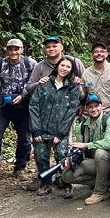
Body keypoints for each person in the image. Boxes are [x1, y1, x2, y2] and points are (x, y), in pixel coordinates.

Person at [28, 57, 82, 195]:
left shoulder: (73, 88)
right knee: (41, 156)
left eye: (68, 67)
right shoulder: (44, 84)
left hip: (60, 130)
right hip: (41, 129)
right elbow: (34, 106)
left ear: (72, 70)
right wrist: (36, 130)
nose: (64, 68)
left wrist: (60, 133)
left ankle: (66, 183)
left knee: (61, 155)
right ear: (57, 66)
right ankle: (46, 184)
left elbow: (71, 111)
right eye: (62, 65)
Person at [0, 38, 36, 183]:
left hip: (23, 106)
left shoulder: (31, 64)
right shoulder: (0, 65)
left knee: (24, 139)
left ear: (22, 49)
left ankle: (19, 168)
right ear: (7, 50)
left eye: (16, 49)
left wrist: (23, 96)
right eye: (10, 49)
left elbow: (33, 84)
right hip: (4, 106)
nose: (13, 52)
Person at [61, 93, 110, 204]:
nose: (94, 109)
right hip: (94, 162)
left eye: (96, 106)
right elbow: (79, 151)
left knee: (100, 153)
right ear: (86, 109)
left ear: (101, 106)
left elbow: (107, 144)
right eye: (90, 107)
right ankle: (104, 183)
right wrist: (71, 160)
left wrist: (86, 145)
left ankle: (100, 191)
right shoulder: (82, 125)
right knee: (66, 175)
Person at [82, 42, 110, 117]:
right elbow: (82, 96)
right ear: (92, 54)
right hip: (92, 113)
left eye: (102, 51)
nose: (99, 54)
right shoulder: (86, 73)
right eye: (96, 52)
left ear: (107, 54)